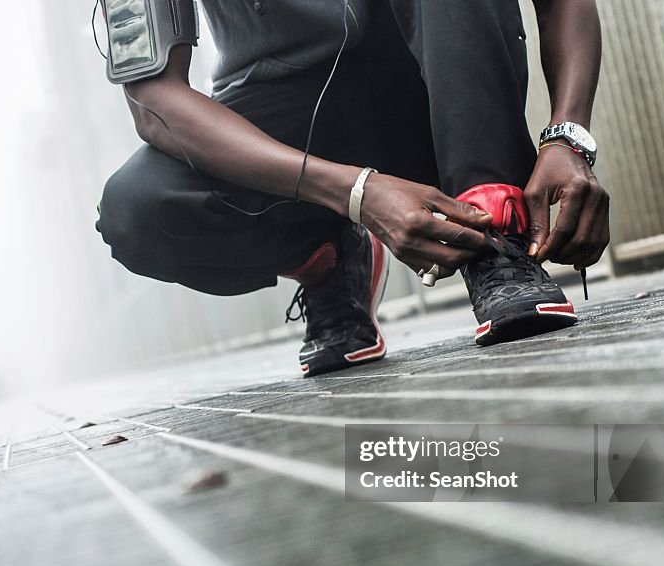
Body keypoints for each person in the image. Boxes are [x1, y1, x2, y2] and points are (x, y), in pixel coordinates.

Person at [95, 0, 609, 376]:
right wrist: (355, 193)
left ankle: (496, 235)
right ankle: (323, 257)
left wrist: (568, 138)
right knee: (139, 210)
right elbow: (153, 101)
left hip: (433, 72)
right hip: (287, 104)